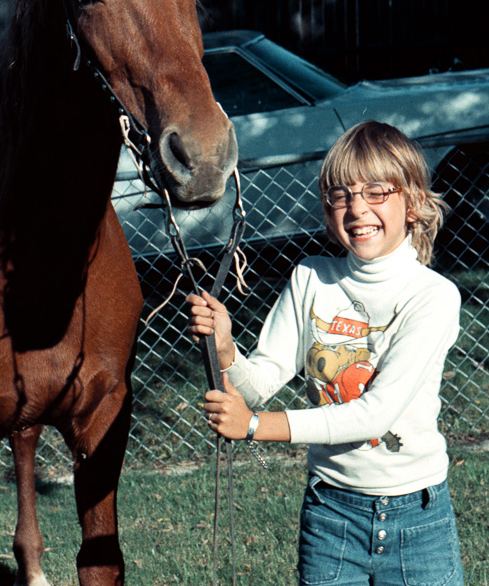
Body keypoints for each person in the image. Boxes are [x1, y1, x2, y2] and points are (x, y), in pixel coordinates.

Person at [186, 120, 464, 586]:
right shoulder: (311, 279)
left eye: (377, 192)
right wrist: (228, 349)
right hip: (332, 513)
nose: (357, 208)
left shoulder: (432, 296)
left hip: (417, 519)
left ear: (413, 202)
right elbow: (260, 384)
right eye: (341, 194)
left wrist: (254, 429)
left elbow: (373, 415)